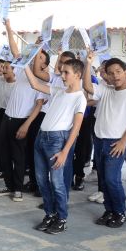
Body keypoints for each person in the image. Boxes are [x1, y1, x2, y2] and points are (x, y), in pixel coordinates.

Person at [83, 53, 126, 228]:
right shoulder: (105, 89)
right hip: (100, 140)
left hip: (116, 142)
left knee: (112, 179)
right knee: (103, 179)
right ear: (107, 75)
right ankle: (109, 210)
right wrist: (88, 63)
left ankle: (119, 212)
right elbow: (87, 86)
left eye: (118, 71)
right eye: (111, 73)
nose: (115, 75)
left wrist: (123, 141)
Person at [26, 58, 86, 234]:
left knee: (57, 183)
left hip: (57, 141)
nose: (63, 75)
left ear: (77, 75)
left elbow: (76, 128)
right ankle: (50, 214)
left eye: (66, 72)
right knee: (41, 180)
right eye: (62, 72)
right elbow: (35, 84)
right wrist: (24, 66)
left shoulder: (80, 98)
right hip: (41, 137)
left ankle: (61, 218)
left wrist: (65, 152)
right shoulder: (59, 90)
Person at [0, 19, 49, 202]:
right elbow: (14, 49)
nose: (36, 58)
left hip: (21, 121)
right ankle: (9, 185)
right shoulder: (22, 70)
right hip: (7, 119)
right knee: (4, 154)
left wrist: (26, 125)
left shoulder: (42, 82)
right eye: (36, 55)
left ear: (44, 65)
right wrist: (9, 27)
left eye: (40, 57)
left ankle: (17, 189)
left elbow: (38, 105)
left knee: (18, 156)